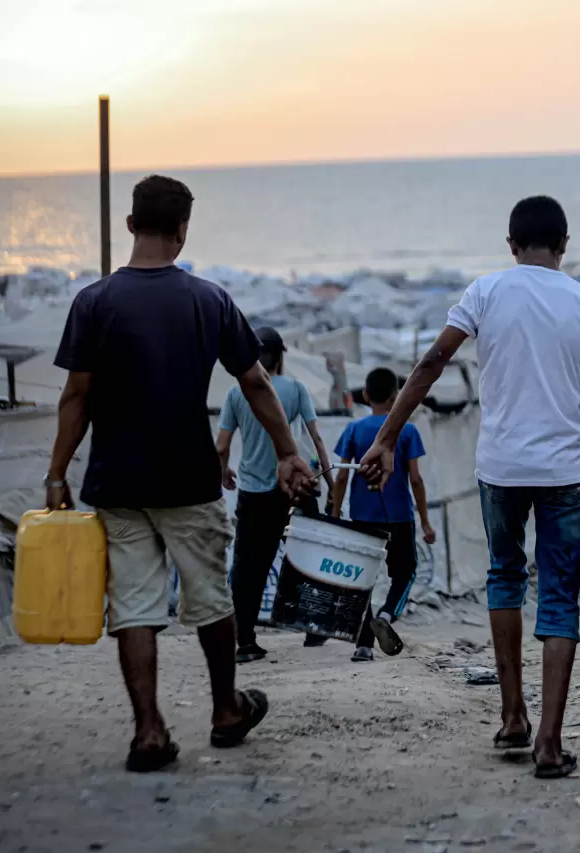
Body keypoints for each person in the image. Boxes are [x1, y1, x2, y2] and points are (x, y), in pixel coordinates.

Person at [356, 196, 580, 780]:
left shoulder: (484, 292)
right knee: (559, 596)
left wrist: (385, 437)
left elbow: (433, 361)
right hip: (563, 473)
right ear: (564, 245)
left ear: (511, 244)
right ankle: (550, 746)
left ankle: (513, 719)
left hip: (500, 469)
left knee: (504, 577)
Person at [46, 175, 314, 773]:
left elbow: (75, 396)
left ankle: (148, 731)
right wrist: (288, 450)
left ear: (130, 226)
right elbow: (254, 380)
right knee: (210, 595)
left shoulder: (93, 302)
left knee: (136, 607)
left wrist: (56, 474)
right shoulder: (208, 299)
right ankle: (225, 710)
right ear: (182, 230)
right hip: (189, 478)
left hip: (116, 481)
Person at [216, 326, 331, 664]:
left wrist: (224, 472)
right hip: (295, 488)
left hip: (253, 492)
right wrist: (328, 482)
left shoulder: (236, 394)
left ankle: (245, 641)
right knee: (306, 559)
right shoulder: (296, 389)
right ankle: (313, 627)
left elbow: (221, 446)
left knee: (248, 567)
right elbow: (317, 439)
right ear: (282, 356)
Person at [330, 367, 437, 662]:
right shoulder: (408, 430)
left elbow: (340, 477)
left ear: (365, 396)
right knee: (405, 572)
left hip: (362, 516)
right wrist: (426, 522)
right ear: (396, 397)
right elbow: (416, 479)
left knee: (361, 579)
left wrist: (337, 513)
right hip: (399, 517)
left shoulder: (353, 430)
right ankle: (388, 614)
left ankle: (363, 646)